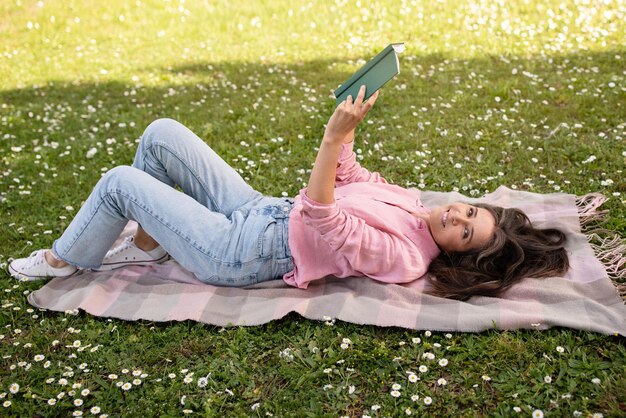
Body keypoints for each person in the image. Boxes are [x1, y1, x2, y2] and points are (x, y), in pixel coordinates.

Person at [8, 86, 569, 301]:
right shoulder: (413, 206)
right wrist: (347, 131)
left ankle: (66, 259)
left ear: (456, 254)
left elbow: (325, 219)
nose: (455, 216)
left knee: (119, 182)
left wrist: (328, 139)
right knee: (161, 135)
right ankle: (152, 242)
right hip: (261, 211)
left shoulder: (404, 257)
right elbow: (351, 178)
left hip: (240, 252)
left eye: (463, 232)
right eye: (469, 210)